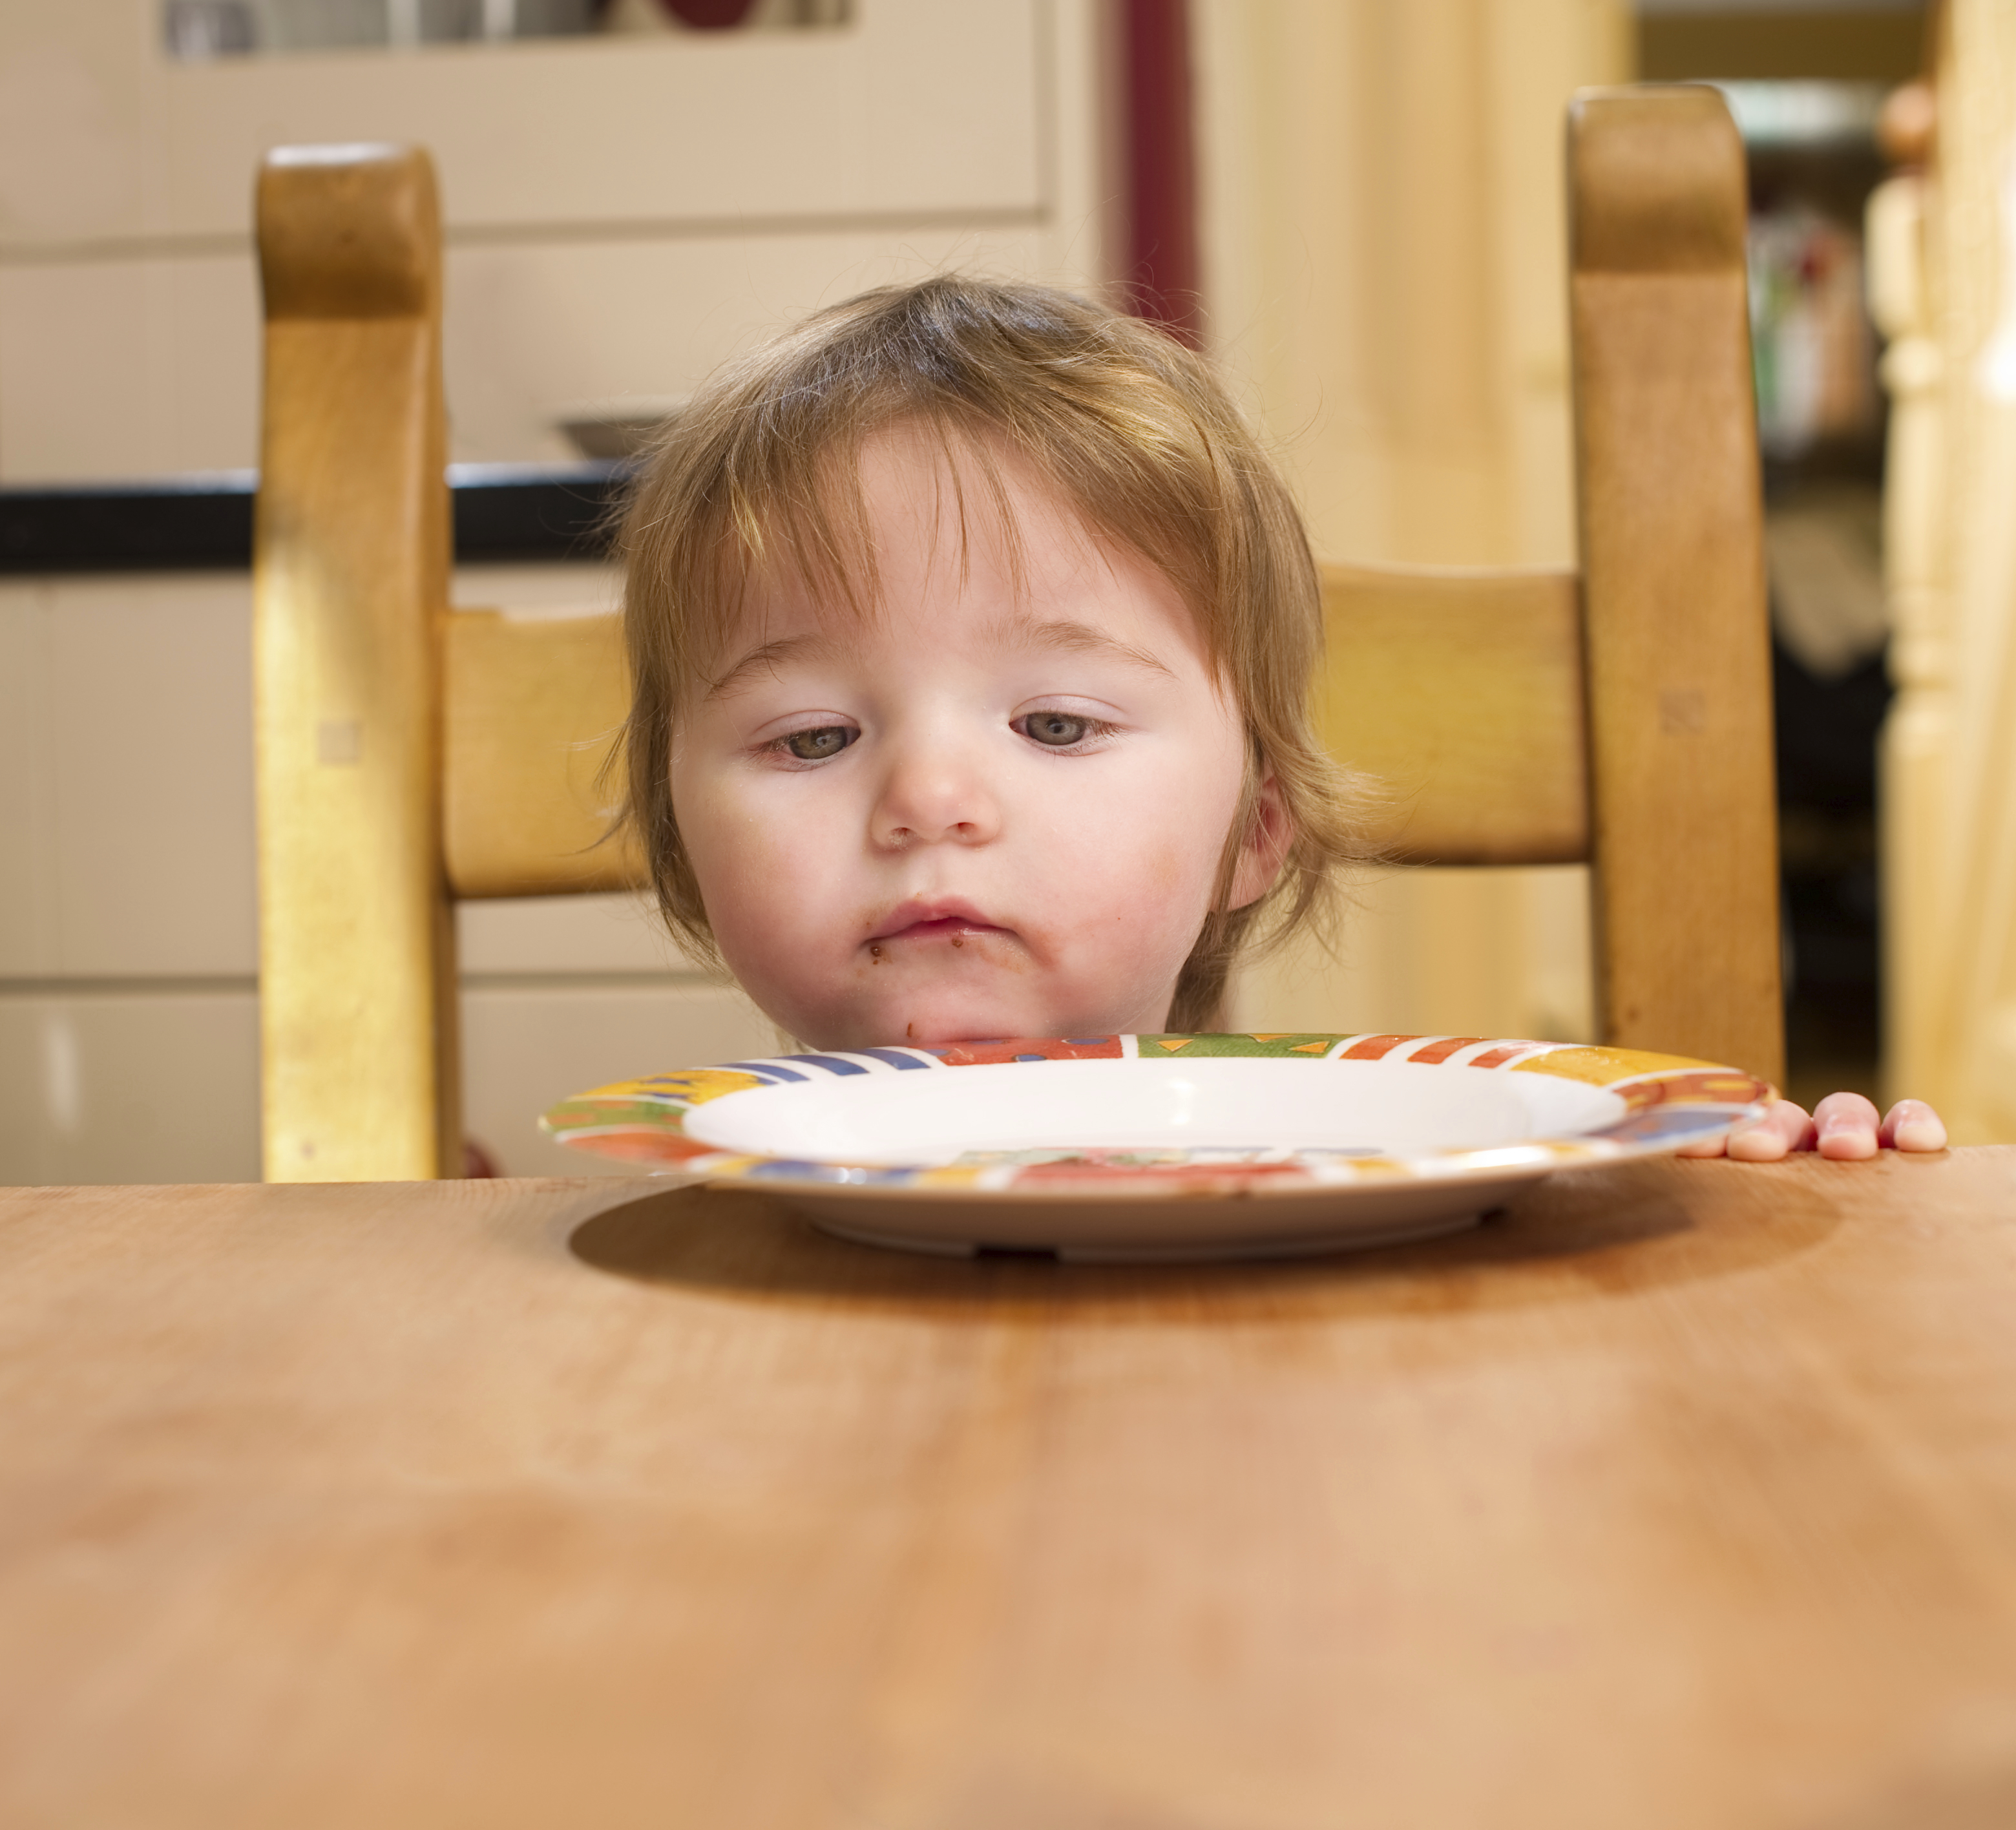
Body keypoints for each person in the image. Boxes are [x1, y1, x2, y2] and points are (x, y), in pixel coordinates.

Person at [613, 273, 1944, 1165]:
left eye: (1060, 726)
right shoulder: (643, 1250)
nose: (930, 801)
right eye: (814, 739)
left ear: (1254, 831)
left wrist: (1738, 1200)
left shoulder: (1398, 1165)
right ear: (677, 837)